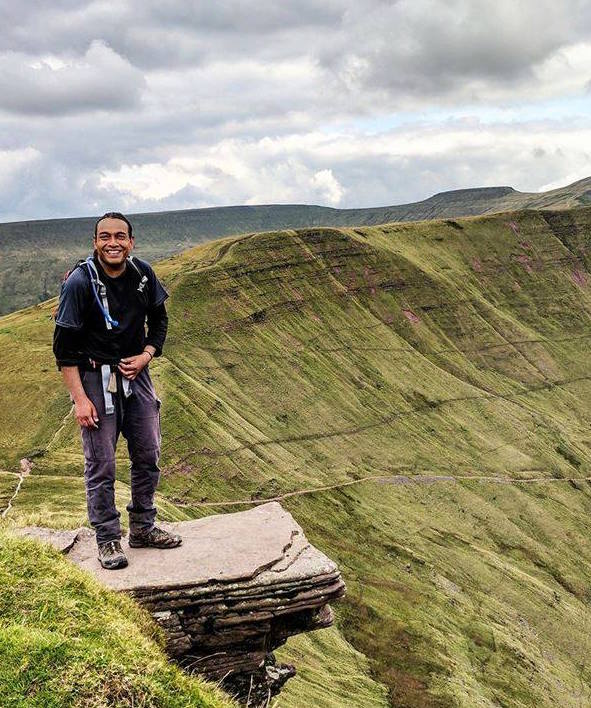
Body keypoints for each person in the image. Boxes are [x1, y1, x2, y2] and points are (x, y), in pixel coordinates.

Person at [53, 212, 181, 570]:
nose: (113, 243)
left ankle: (142, 527)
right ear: (95, 242)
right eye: (105, 236)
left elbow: (159, 320)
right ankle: (108, 539)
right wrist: (80, 399)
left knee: (148, 454)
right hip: (95, 378)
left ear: (131, 242)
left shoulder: (142, 274)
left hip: (136, 376)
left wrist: (146, 355)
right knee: (102, 464)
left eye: (120, 236)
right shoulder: (80, 283)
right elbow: (64, 350)